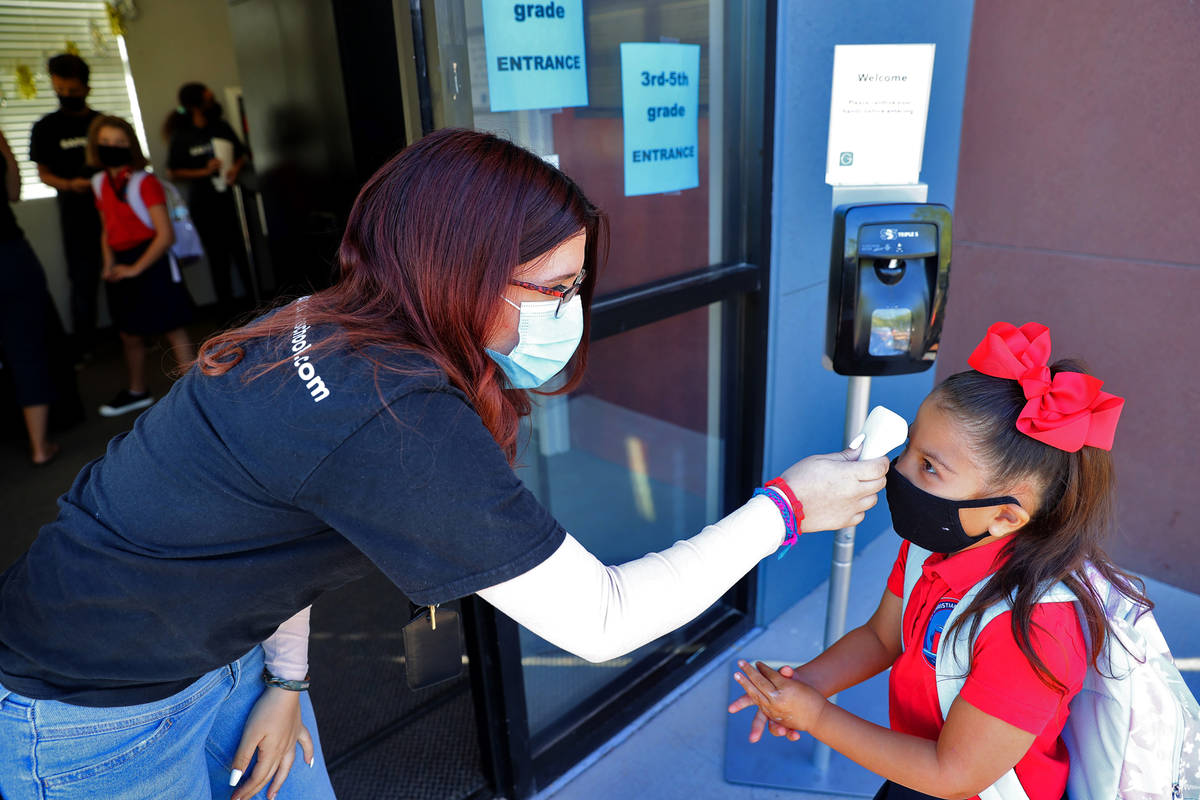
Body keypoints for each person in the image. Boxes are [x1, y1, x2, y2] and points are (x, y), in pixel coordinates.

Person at [0, 129, 888, 800]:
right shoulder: (391, 419)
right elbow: (603, 620)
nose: (571, 312)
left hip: (222, 664)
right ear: (454, 272)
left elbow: (292, 516)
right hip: (88, 715)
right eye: (555, 290)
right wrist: (785, 508)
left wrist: (284, 681)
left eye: (578, 286)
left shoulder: (329, 320)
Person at [729, 321, 1147, 800]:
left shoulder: (1035, 628)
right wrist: (804, 687)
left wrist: (817, 717)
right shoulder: (932, 544)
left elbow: (954, 775)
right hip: (915, 770)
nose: (898, 470)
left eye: (929, 467)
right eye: (909, 447)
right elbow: (883, 636)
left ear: (1005, 517)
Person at [87, 115, 195, 417]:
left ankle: (195, 393)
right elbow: (106, 228)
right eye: (106, 142)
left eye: (119, 142)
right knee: (129, 334)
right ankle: (137, 391)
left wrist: (136, 268)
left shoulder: (144, 182)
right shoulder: (99, 183)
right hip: (122, 262)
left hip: (152, 259)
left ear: (131, 146)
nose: (112, 147)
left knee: (174, 329)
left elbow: (165, 234)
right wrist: (109, 263)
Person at [29, 54, 103, 362]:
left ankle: (142, 336)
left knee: (127, 276)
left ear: (86, 88)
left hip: (112, 213)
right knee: (83, 282)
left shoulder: (101, 124)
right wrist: (69, 184)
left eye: (72, 91)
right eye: (60, 90)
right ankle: (85, 348)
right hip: (76, 217)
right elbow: (44, 173)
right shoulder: (46, 127)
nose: (66, 96)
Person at [164, 82, 254, 317]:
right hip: (205, 204)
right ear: (196, 104)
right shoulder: (182, 136)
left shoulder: (220, 127)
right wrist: (203, 171)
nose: (211, 100)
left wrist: (234, 168)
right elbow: (172, 171)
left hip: (231, 199)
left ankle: (257, 306)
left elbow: (241, 153)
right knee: (218, 259)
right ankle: (227, 314)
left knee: (243, 253)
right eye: (207, 97)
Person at [0, 128, 59, 465]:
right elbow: (13, 191)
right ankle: (40, 447)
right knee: (27, 351)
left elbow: (12, 192)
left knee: (27, 350)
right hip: (9, 256)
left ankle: (39, 446)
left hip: (9, 254)